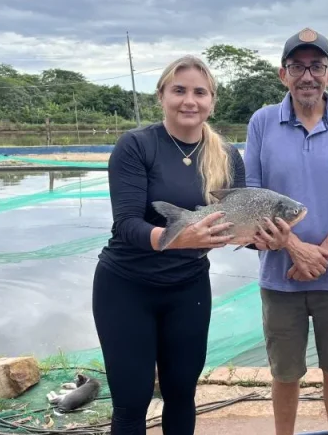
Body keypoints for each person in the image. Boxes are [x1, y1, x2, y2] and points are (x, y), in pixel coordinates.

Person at [91, 55, 262, 435]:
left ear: (212, 101)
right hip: (125, 288)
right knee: (131, 403)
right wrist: (176, 238)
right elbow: (126, 225)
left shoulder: (227, 155)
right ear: (161, 96)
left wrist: (266, 240)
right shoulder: (136, 146)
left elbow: (234, 228)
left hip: (188, 289)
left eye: (200, 93)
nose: (190, 100)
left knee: (181, 394)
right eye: (179, 90)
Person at [243, 27, 328, 435]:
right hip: (279, 276)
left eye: (316, 66)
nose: (307, 76)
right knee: (285, 373)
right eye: (297, 67)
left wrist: (321, 255)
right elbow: (252, 198)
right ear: (282, 74)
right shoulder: (263, 122)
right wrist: (296, 248)